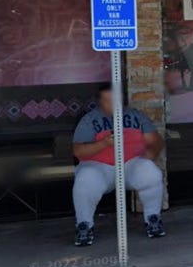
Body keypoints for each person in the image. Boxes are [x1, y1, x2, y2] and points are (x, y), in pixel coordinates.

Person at [71, 83, 166, 246]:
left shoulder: (136, 116)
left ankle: (153, 220)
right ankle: (84, 226)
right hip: (98, 167)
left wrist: (152, 152)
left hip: (130, 164)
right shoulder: (90, 119)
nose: (113, 104)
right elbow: (78, 151)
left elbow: (155, 139)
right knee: (84, 182)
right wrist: (103, 144)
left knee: (152, 174)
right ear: (100, 102)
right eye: (107, 101)